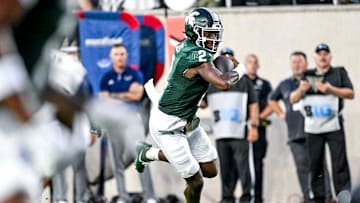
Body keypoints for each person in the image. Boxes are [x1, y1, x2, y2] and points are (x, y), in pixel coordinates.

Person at [134, 8, 247, 203]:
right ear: (195, 32)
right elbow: (222, 83)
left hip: (188, 121)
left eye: (215, 33)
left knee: (211, 170)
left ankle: (148, 153)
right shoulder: (196, 57)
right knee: (196, 182)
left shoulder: (190, 46)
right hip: (168, 125)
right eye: (209, 33)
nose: (213, 38)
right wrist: (241, 69)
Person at [290, 43, 354, 203]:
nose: (323, 56)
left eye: (326, 53)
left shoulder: (339, 73)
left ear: (330, 57)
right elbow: (293, 99)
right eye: (320, 54)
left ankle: (344, 197)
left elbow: (350, 93)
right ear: (315, 58)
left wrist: (331, 89)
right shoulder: (307, 74)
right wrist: (301, 90)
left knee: (339, 164)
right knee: (315, 165)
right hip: (313, 128)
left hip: (334, 126)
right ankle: (318, 198)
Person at [269, 51, 333, 203]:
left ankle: (328, 198)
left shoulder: (315, 80)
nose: (297, 64)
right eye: (294, 62)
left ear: (306, 63)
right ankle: (309, 198)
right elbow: (272, 100)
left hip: (315, 132)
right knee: (302, 169)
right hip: (295, 135)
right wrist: (281, 114)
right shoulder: (285, 84)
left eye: (300, 61)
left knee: (320, 168)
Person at [98, 43, 156, 203]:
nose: (120, 57)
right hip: (114, 122)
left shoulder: (135, 74)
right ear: (111, 57)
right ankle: (122, 197)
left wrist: (114, 96)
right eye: (116, 54)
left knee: (141, 157)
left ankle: (150, 196)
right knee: (117, 160)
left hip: (132, 120)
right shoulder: (106, 77)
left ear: (126, 56)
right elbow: (103, 99)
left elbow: (137, 95)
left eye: (122, 54)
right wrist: (125, 94)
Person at [206, 48, 259, 203]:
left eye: (229, 58)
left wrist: (254, 127)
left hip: (240, 133)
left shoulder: (243, 80)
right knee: (225, 170)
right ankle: (227, 199)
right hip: (221, 134)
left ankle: (247, 198)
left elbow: (253, 105)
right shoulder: (211, 82)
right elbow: (202, 104)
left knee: (244, 170)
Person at [244, 53, 272, 203]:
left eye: (255, 62)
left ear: (258, 65)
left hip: (259, 130)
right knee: (242, 166)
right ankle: (245, 197)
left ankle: (258, 198)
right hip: (241, 131)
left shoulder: (264, 85)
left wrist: (257, 118)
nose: (252, 65)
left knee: (257, 164)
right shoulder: (240, 83)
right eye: (249, 62)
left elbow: (272, 104)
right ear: (245, 65)